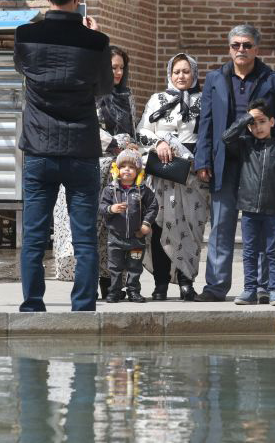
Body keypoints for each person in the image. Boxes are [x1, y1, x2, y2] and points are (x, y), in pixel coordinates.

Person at [15, 0, 113, 312]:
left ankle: (32, 304)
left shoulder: (25, 35)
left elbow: (22, 69)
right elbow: (104, 88)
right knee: (85, 237)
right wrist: (96, 40)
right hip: (81, 148)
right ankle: (83, 306)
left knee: (34, 236)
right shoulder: (96, 42)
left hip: (39, 147)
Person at [194, 24, 275, 302]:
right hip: (223, 162)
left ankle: (261, 287)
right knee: (221, 225)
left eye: (247, 45)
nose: (241, 49)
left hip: (260, 164)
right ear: (229, 48)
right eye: (235, 45)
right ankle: (215, 287)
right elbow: (206, 123)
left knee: (260, 228)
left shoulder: (274, 80)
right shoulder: (215, 78)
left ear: (256, 49)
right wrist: (203, 159)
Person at [53, 46, 136, 300]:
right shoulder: (86, 94)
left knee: (114, 230)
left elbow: (132, 131)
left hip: (117, 174)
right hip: (88, 168)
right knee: (87, 229)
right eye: (113, 67)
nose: (118, 72)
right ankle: (85, 285)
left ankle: (112, 285)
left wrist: (132, 144)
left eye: (121, 68)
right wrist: (115, 142)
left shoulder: (126, 96)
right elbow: (82, 127)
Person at [136, 53, 209, 301]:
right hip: (163, 175)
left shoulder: (204, 100)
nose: (181, 76)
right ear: (170, 74)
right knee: (159, 227)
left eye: (186, 71)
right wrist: (159, 143)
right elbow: (142, 130)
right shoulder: (157, 100)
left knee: (191, 227)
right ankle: (161, 284)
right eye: (177, 71)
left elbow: (209, 134)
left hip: (193, 176)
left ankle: (187, 282)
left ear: (194, 74)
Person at [222, 99, 275, 307]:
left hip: (273, 210)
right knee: (249, 252)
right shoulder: (245, 146)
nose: (258, 127)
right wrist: (247, 117)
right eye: (253, 124)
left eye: (262, 121)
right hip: (248, 209)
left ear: (272, 122)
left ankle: (274, 290)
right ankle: (250, 289)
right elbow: (226, 137)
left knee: (273, 251)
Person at [98, 149, 158, 303]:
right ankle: (114, 292)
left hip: (136, 237)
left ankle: (133, 291)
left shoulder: (143, 190)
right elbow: (101, 207)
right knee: (115, 268)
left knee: (135, 267)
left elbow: (153, 207)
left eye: (131, 167)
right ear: (117, 169)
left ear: (138, 171)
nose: (127, 170)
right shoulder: (110, 190)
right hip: (115, 238)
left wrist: (146, 224)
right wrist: (111, 209)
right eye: (123, 166)